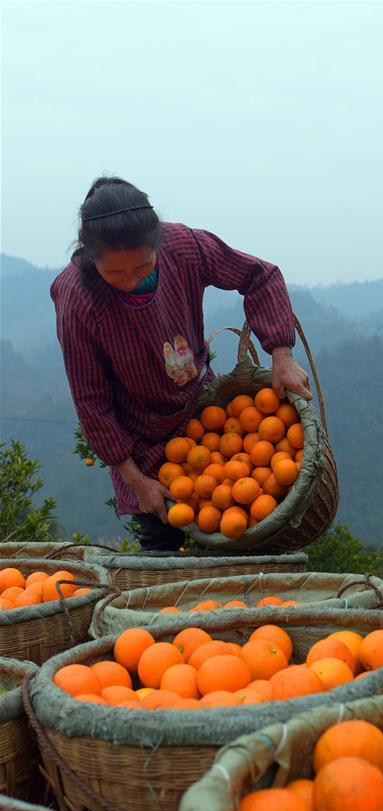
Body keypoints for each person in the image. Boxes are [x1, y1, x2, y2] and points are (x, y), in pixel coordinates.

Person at [52, 176, 311, 550]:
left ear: (158, 243)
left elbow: (260, 275)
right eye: (115, 273)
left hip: (206, 416)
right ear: (91, 258)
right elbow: (91, 402)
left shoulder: (185, 249)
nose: (130, 281)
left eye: (143, 266)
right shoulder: (77, 299)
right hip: (142, 440)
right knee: (165, 546)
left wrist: (281, 354)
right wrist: (135, 480)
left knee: (244, 529)